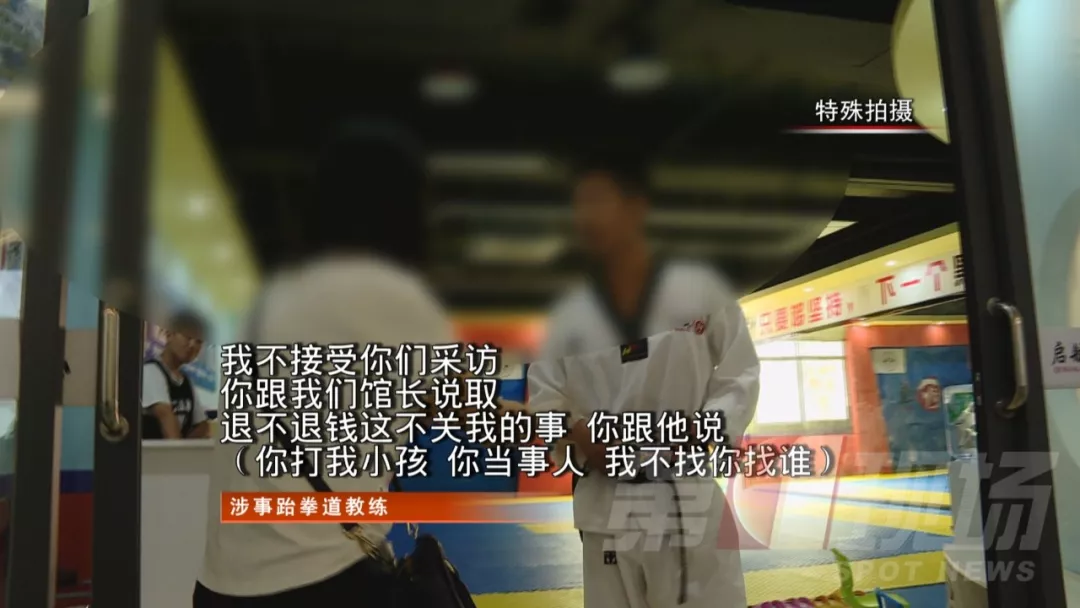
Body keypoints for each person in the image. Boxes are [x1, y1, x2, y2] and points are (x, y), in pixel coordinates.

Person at [195, 122, 510, 606]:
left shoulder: (266, 297)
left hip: (222, 584)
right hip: (322, 578)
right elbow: (466, 403)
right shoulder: (396, 299)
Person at [532, 157, 761, 607]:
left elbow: (741, 372)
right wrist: (577, 435)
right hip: (603, 505)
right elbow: (545, 395)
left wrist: (704, 428)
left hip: (685, 500)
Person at [143, 310, 211, 440]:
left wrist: (187, 445)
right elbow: (166, 420)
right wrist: (181, 449)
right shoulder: (150, 371)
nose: (192, 345)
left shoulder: (186, 381)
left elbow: (202, 426)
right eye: (188, 337)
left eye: (198, 341)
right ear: (169, 334)